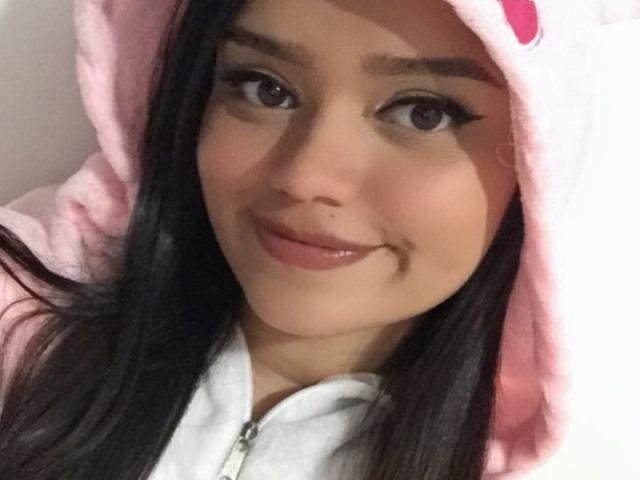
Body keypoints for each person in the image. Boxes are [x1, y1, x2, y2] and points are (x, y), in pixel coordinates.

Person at [0, 0, 605, 478]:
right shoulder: (20, 324)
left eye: (424, 112)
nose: (307, 176)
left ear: (533, 165)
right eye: (264, 88)